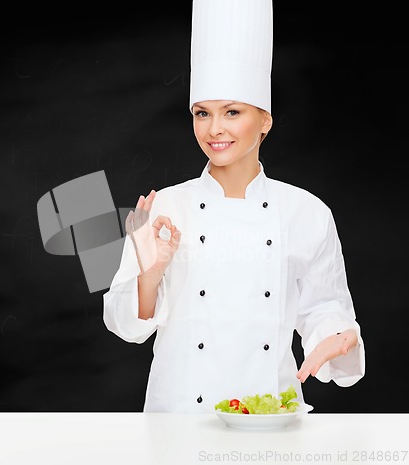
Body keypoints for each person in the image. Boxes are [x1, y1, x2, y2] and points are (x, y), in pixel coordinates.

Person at [103, 0, 365, 413]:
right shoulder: (167, 205)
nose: (214, 129)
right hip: (179, 418)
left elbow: (325, 308)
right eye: (202, 113)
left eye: (232, 112)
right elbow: (124, 325)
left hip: (270, 415)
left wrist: (338, 334)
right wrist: (151, 275)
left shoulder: (307, 211)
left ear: (265, 120)